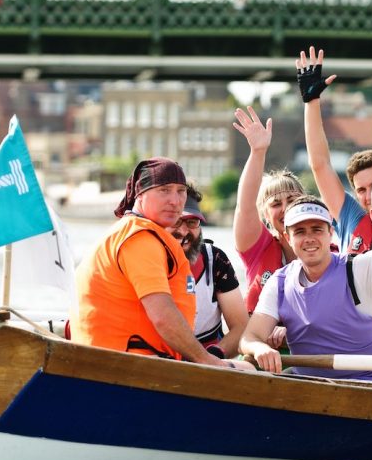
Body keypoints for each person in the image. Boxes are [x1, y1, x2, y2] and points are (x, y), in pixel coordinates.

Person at [240, 156, 372, 383]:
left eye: (317, 229)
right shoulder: (280, 282)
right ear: (287, 236)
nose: (309, 239)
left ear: (330, 233)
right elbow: (250, 336)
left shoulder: (359, 269)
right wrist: (259, 348)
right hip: (311, 389)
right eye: (300, 232)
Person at [72, 157, 253, 371]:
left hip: (118, 356)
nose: (175, 201)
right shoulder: (141, 239)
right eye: (164, 190)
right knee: (247, 370)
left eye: (180, 191)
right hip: (126, 363)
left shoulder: (131, 231)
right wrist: (206, 360)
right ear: (140, 194)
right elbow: (162, 317)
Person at [296, 45, 372, 253]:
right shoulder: (352, 217)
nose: (369, 196)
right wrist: (311, 102)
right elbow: (320, 165)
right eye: (361, 190)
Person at [231, 106, 305, 314]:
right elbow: (245, 206)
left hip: (307, 344)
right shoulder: (258, 247)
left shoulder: (325, 248)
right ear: (265, 215)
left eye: (292, 199)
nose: (286, 208)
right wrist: (258, 152)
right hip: (260, 341)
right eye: (275, 204)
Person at [172, 186, 248, 360]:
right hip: (159, 359)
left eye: (192, 222)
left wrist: (212, 357)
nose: (184, 231)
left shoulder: (216, 260)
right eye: (176, 221)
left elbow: (241, 327)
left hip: (210, 361)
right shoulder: (146, 259)